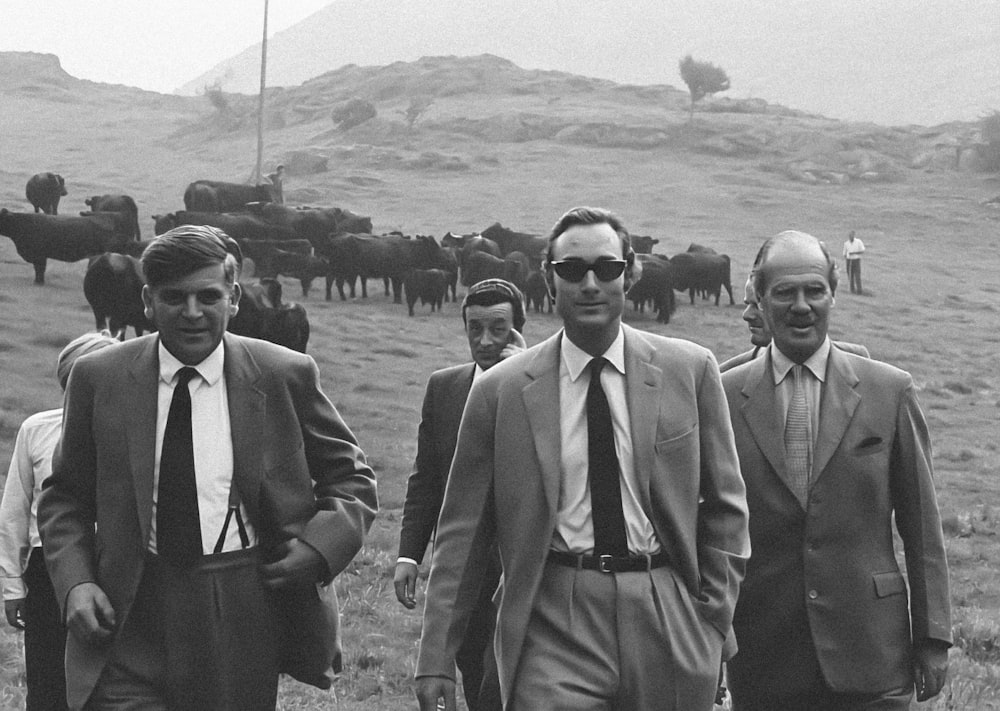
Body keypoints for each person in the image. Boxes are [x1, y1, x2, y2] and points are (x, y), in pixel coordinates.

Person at [415, 206, 749, 710]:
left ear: (631, 273)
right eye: (571, 270)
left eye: (606, 268)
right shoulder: (499, 392)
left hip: (666, 605)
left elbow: (726, 506)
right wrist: (436, 655)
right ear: (548, 279)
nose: (589, 283)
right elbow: (462, 531)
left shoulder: (690, 370)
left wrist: (711, 618)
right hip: (552, 610)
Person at [38, 224, 378, 711]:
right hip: (128, 605)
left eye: (208, 296)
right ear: (148, 300)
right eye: (174, 298)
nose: (192, 313)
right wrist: (76, 580)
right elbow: (65, 495)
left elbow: (352, 479)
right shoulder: (99, 377)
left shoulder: (284, 373)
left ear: (234, 297)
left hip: (239, 600)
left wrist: (318, 551)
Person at [721, 230, 951, 710]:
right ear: (760, 300)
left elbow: (922, 525)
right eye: (784, 292)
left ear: (832, 294)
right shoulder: (722, 397)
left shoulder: (888, 391)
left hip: (872, 654)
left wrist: (933, 638)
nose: (801, 306)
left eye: (814, 291)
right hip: (764, 657)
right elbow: (708, 529)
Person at [394, 278, 527, 711]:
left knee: (510, 681)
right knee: (476, 677)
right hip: (465, 570)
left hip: (526, 572)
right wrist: (409, 555)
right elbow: (427, 478)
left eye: (498, 329)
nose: (485, 341)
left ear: (518, 331)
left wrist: (524, 381)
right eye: (475, 328)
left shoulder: (545, 388)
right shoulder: (445, 388)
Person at [0, 331, 119, 711]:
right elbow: (14, 513)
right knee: (49, 676)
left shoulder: (130, 436)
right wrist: (12, 585)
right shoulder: (37, 430)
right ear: (68, 381)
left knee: (111, 679)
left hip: (114, 567)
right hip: (46, 569)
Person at [719, 271, 869, 374]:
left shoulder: (857, 363)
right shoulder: (727, 376)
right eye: (747, 304)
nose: (747, 315)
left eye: (757, 305)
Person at [842, 230, 865, 294]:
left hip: (856, 260)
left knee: (857, 276)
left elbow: (862, 251)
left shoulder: (858, 242)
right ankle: (852, 290)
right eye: (849, 236)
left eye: (851, 235)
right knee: (850, 276)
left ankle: (859, 291)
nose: (850, 237)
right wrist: (847, 257)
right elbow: (844, 253)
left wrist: (854, 253)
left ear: (854, 235)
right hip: (849, 261)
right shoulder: (846, 243)